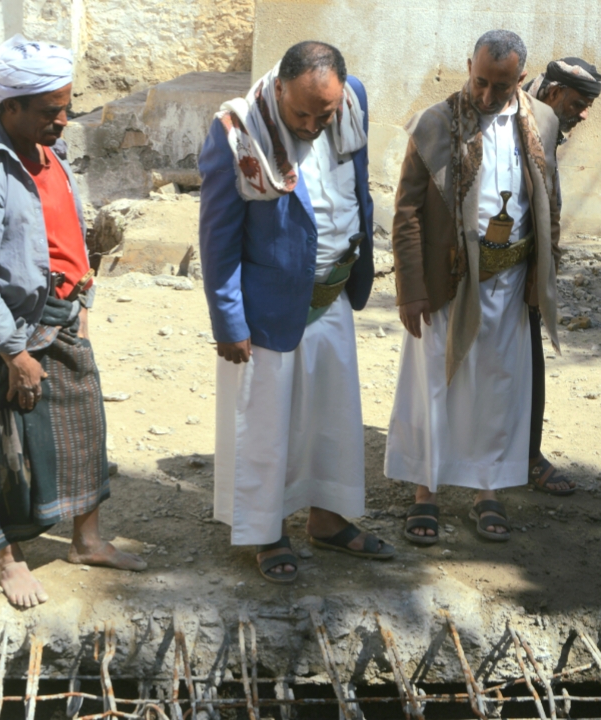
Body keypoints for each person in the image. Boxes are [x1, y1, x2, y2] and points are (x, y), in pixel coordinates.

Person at [0, 35, 145, 609]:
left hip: (65, 319)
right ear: (9, 108)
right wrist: (14, 352)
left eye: (66, 107)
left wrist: (82, 304)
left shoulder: (50, 155)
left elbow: (65, 241)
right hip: (11, 333)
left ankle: (86, 541)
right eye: (48, 110)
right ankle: (8, 559)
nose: (62, 120)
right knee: (6, 447)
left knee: (84, 429)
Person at [198, 41, 393, 584]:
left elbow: (357, 186)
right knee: (263, 428)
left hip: (330, 293)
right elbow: (217, 237)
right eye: (300, 112)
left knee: (330, 419)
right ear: (279, 88)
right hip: (266, 307)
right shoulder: (236, 132)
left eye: (321, 114)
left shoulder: (351, 102)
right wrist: (229, 321)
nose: (310, 123)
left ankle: (327, 521)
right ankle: (265, 533)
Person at [384, 30, 561, 545]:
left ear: (521, 80)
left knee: (498, 385)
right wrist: (411, 288)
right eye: (479, 81)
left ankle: (487, 490)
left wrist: (541, 277)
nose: (485, 96)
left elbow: (548, 199)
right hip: (448, 281)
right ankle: (426, 492)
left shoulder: (542, 122)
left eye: (500, 86)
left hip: (509, 279)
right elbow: (407, 212)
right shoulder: (435, 124)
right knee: (434, 382)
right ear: (468, 66)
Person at [523, 57, 601, 496]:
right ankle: (527, 460)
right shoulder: (522, 117)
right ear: (554, 93)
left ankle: (524, 454)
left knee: (527, 354)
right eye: (580, 102)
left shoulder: (546, 119)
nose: (585, 113)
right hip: (497, 264)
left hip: (528, 265)